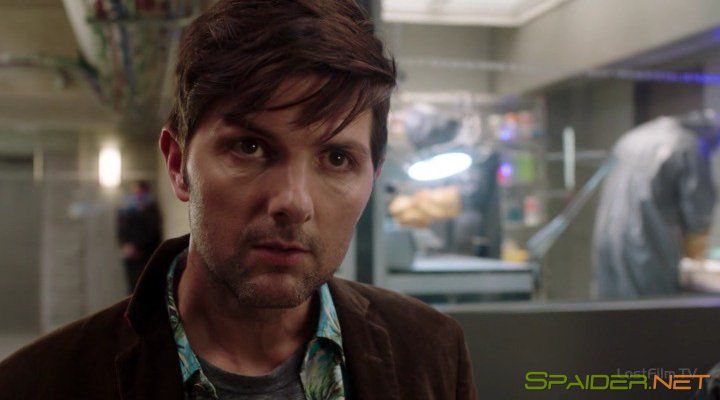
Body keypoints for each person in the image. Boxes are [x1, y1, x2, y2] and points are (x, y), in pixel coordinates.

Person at [0, 1, 477, 399]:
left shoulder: (432, 352)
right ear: (178, 165)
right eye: (250, 147)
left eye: (336, 158)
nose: (293, 202)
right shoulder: (40, 384)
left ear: (374, 176)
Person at [593, 111, 718, 298]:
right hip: (649, 248)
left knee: (614, 309)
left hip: (609, 244)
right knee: (653, 310)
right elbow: (698, 216)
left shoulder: (632, 139)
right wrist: (697, 256)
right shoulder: (688, 144)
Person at [117, 180, 163, 293]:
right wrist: (125, 245)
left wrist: (138, 247)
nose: (137, 196)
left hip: (146, 255)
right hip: (131, 256)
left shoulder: (151, 210)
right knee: (132, 288)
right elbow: (122, 230)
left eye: (140, 193)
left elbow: (153, 232)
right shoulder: (128, 211)